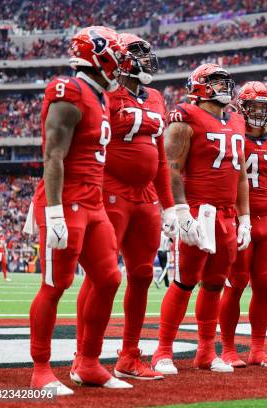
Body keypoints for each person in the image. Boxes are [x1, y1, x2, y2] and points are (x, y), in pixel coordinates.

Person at [25, 26, 131, 394]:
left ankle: (88, 362)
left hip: (93, 200)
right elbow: (53, 154)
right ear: (99, 56)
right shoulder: (69, 90)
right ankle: (40, 369)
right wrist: (52, 210)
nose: (120, 68)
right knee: (56, 284)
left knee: (109, 278)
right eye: (117, 59)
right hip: (66, 200)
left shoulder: (98, 96)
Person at [74, 33, 173, 381]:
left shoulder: (157, 98)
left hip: (146, 195)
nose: (147, 61)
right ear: (121, 58)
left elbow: (161, 158)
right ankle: (83, 354)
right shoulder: (105, 95)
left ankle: (129, 354)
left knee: (144, 275)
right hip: (110, 189)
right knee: (103, 274)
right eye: (139, 55)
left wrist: (170, 206)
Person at [151, 63, 250, 374]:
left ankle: (206, 351)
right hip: (197, 210)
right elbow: (172, 168)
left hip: (227, 214)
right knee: (184, 281)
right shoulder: (185, 116)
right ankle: (163, 351)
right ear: (200, 86)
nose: (223, 87)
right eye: (216, 81)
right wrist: (181, 211)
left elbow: (242, 175)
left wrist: (244, 216)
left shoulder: (236, 119)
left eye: (224, 81)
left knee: (215, 284)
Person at [219, 81, 267, 368]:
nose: (257, 112)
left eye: (262, 107)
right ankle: (228, 349)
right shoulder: (232, 134)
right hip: (241, 219)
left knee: (264, 286)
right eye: (252, 106)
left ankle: (257, 349)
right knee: (236, 284)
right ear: (241, 106)